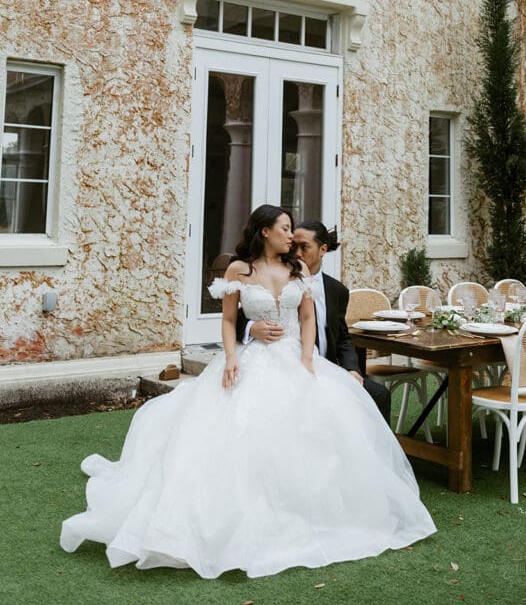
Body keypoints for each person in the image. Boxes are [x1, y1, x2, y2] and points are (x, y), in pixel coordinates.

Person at [60, 204, 435, 579]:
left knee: (319, 430)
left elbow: (307, 318)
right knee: (240, 431)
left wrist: (307, 359)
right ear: (264, 232)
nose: (292, 236)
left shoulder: (297, 269)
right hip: (253, 359)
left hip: (296, 359)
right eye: (285, 228)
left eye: (293, 230)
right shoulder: (239, 270)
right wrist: (231, 356)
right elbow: (227, 320)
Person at [236, 219, 391, 423]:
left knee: (379, 394)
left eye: (304, 247)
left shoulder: (337, 290)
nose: (297, 253)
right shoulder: (280, 276)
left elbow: (343, 337)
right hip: (288, 365)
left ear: (322, 249)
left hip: (326, 367)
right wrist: (251, 327)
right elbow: (238, 317)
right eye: (294, 246)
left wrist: (352, 369)